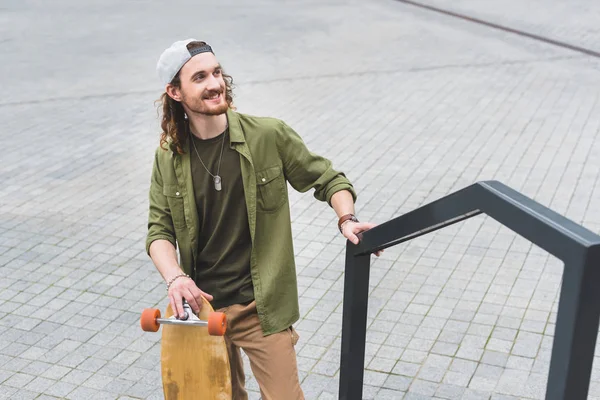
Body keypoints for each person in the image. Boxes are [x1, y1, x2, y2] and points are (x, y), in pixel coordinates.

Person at [146, 38, 380, 400]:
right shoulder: (169, 156)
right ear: (175, 92)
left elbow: (329, 179)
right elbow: (158, 230)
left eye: (217, 72)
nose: (214, 83)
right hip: (203, 308)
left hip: (262, 307)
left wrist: (346, 218)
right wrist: (175, 277)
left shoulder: (267, 135)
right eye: (200, 77)